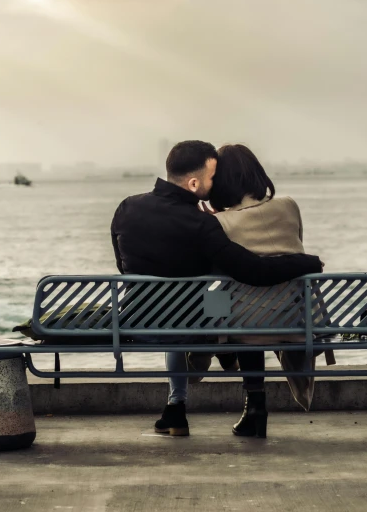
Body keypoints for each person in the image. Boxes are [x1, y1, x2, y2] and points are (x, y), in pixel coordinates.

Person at [110, 141, 323, 437]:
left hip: (135, 322)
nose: (215, 184)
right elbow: (252, 270)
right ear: (195, 182)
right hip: (191, 324)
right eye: (213, 178)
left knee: (202, 307)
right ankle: (225, 360)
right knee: (226, 304)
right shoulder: (202, 224)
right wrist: (307, 262)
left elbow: (122, 266)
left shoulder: (126, 207)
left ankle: (178, 405)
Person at [205, 144, 334, 438]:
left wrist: (212, 219)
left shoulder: (218, 222)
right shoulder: (289, 205)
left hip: (246, 324)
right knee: (254, 308)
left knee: (222, 300)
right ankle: (250, 401)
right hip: (295, 317)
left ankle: (254, 405)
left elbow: (215, 271)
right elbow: (294, 248)